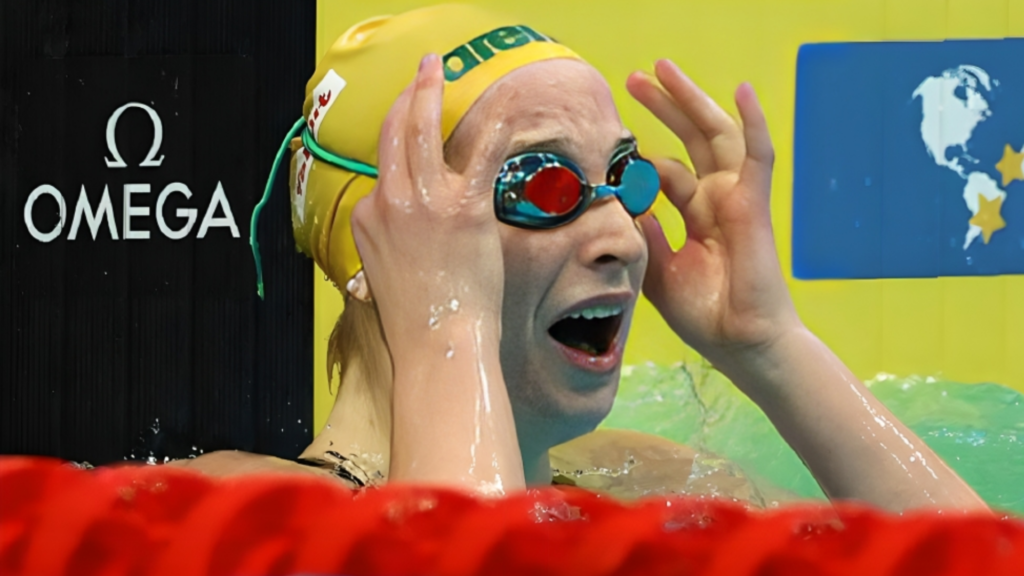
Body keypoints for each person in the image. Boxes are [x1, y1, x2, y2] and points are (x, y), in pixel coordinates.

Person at [175, 4, 987, 512]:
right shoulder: (238, 512)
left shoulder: (646, 481)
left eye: (624, 179)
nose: (625, 240)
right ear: (375, 240)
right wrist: (447, 328)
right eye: (543, 184)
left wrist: (769, 347)